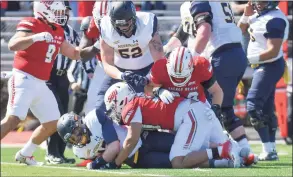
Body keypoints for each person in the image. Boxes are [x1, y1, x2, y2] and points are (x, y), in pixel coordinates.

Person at [163, 1, 253, 160]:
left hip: (220, 54)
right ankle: (245, 150)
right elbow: (182, 34)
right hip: (233, 54)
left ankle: (221, 151)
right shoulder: (194, 5)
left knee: (207, 107)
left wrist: (190, 59)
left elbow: (204, 31)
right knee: (224, 108)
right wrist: (164, 51)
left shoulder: (199, 2)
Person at [1, 1, 80, 166]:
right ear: (45, 10)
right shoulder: (32, 23)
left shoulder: (57, 30)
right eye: (57, 11)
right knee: (13, 119)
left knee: (53, 123)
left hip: (41, 83)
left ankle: (25, 154)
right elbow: (12, 44)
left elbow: (73, 53)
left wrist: (95, 48)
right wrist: (35, 38)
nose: (62, 15)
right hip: (24, 78)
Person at [102, 82, 245, 169]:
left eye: (113, 107)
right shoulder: (138, 101)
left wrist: (117, 162)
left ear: (121, 100)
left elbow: (131, 141)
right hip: (192, 113)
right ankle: (236, 152)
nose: (114, 112)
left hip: (190, 117)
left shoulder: (130, 107)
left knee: (178, 161)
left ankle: (223, 149)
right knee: (197, 149)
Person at [238, 1, 289, 161]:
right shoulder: (257, 14)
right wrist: (246, 15)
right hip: (261, 65)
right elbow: (240, 29)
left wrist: (247, 59)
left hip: (270, 65)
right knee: (266, 108)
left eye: (261, 0)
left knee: (253, 105)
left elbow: (273, 51)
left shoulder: (275, 19)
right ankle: (270, 150)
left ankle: (268, 148)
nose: (257, 3)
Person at [95, 1, 164, 116]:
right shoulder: (106, 27)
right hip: (119, 71)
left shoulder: (147, 23)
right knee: (100, 109)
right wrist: (120, 75)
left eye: (127, 23)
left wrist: (147, 79)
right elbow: (107, 64)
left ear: (134, 17)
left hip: (147, 70)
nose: (124, 28)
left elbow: (160, 61)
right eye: (120, 25)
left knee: (147, 111)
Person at [56, 111, 175, 169]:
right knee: (176, 162)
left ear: (80, 122)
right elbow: (107, 157)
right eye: (72, 138)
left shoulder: (94, 118)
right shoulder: (80, 152)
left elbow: (114, 147)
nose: (77, 139)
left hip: (144, 138)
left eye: (76, 132)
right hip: (137, 159)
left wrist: (95, 164)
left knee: (182, 145)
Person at [146, 47, 224, 125]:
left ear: (192, 67)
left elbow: (216, 91)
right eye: (174, 76)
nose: (178, 80)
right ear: (167, 67)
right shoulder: (160, 67)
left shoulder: (200, 65)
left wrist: (215, 108)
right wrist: (158, 91)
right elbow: (147, 89)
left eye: (183, 77)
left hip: (198, 111)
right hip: (170, 113)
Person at [44, 1, 78, 164]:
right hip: (49, 76)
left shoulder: (71, 32)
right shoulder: (48, 29)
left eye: (65, 11)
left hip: (63, 76)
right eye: (59, 11)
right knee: (55, 115)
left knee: (65, 115)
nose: (63, 14)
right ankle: (51, 153)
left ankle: (60, 153)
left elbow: (79, 52)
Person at [78, 1, 110, 114]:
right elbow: (82, 54)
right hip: (103, 67)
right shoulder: (91, 24)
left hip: (126, 66)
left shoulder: (129, 23)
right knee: (92, 108)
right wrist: (98, 45)